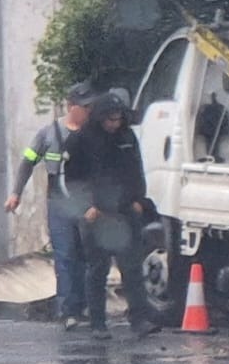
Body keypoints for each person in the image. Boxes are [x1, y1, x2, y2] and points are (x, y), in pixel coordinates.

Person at [63, 89, 161, 340]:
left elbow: (136, 170)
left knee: (131, 268)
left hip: (125, 213)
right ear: (99, 117)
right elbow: (72, 178)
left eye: (118, 119)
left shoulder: (126, 137)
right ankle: (98, 323)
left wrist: (139, 200)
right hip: (96, 215)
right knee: (97, 269)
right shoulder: (81, 140)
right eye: (109, 119)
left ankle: (139, 320)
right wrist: (85, 207)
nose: (114, 124)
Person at [6, 81, 94, 329]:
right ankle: (67, 311)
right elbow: (27, 162)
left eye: (91, 106)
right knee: (65, 255)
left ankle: (86, 307)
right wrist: (16, 193)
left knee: (86, 256)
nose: (88, 111)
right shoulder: (49, 135)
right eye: (84, 107)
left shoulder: (94, 135)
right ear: (71, 106)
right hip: (59, 203)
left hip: (86, 203)